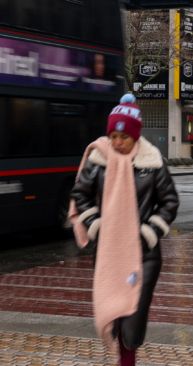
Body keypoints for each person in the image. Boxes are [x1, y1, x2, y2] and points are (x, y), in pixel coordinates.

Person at [70, 94, 179, 366]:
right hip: (109, 254)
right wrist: (96, 225)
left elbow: (169, 203)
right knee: (113, 312)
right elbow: (80, 195)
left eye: (124, 137)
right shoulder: (98, 158)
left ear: (135, 135)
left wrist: (148, 234)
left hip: (144, 257)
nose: (117, 143)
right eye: (113, 136)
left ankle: (127, 360)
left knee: (132, 319)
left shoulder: (152, 162)